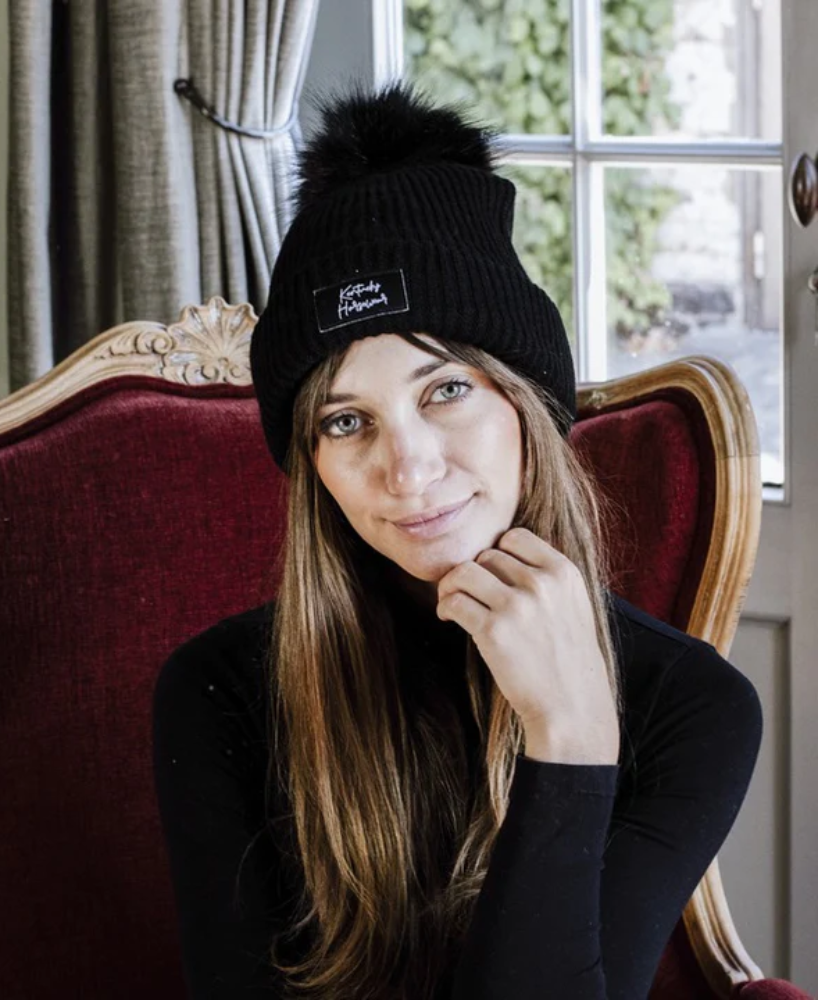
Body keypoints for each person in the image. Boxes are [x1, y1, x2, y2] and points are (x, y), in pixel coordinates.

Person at [151, 81, 762, 1000]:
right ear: (312, 464)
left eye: (445, 391)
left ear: (526, 403)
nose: (408, 470)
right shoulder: (220, 693)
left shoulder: (689, 706)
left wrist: (570, 736)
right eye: (347, 422)